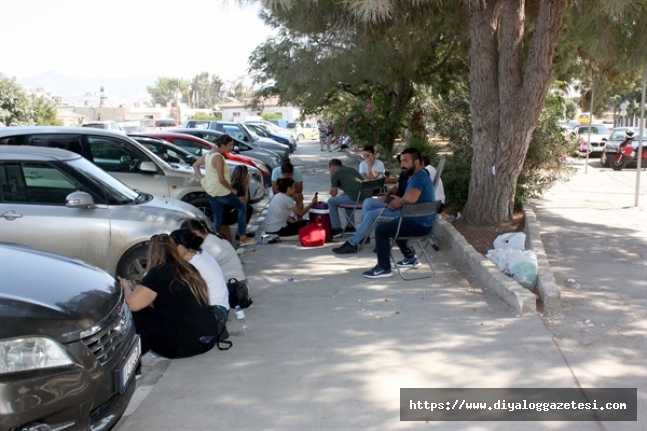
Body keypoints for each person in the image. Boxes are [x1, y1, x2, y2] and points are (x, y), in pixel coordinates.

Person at [116, 234, 220, 358]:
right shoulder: (188, 268)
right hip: (209, 336)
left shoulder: (158, 272)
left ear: (152, 254)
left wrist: (126, 288)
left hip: (186, 345)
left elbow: (132, 304)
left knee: (136, 314)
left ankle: (133, 360)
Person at [363, 148, 436, 278]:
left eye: (406, 161)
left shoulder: (419, 178)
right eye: (401, 161)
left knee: (381, 230)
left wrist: (400, 201)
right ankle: (411, 258)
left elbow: (412, 198)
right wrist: (393, 198)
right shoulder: (416, 176)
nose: (402, 164)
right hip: (418, 221)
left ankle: (384, 268)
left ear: (417, 162)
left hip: (420, 224)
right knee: (396, 223)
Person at [192, 134, 250, 245]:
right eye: (230, 145)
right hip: (221, 191)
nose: (231, 148)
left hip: (210, 190)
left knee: (218, 216)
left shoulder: (209, 154)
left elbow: (195, 165)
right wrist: (232, 190)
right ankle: (242, 236)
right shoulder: (218, 157)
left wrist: (202, 180)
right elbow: (222, 179)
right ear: (222, 145)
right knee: (242, 208)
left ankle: (213, 242)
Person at [170, 229, 230, 319]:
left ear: (180, 248)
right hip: (222, 304)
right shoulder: (200, 254)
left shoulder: (193, 264)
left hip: (216, 310)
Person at [180, 219, 250, 292]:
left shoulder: (207, 247)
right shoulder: (212, 237)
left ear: (195, 234)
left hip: (234, 287)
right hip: (239, 282)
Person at [327, 158, 370, 237]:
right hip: (367, 199)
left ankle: (336, 228)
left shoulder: (335, 174)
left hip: (356, 199)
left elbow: (333, 194)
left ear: (332, 167)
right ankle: (350, 227)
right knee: (346, 196)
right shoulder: (351, 169)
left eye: (329, 169)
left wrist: (331, 177)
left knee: (331, 201)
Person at [221, 165, 254, 243]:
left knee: (248, 208)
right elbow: (243, 204)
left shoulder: (233, 184)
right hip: (225, 216)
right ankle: (241, 233)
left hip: (226, 213)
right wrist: (246, 185)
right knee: (247, 209)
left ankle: (240, 232)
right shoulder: (238, 186)